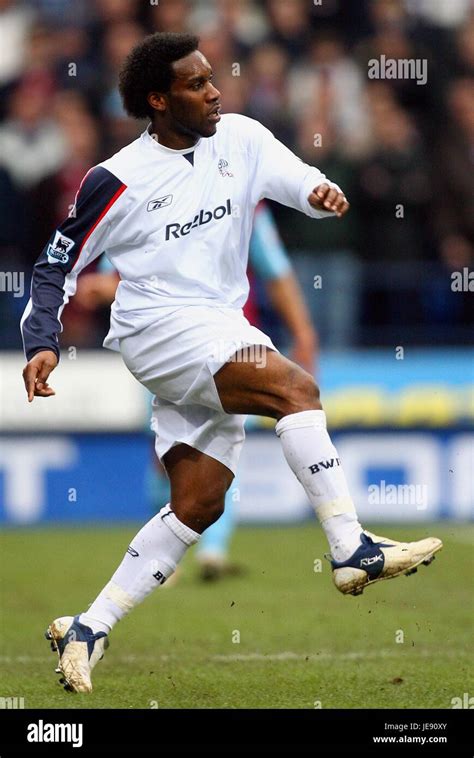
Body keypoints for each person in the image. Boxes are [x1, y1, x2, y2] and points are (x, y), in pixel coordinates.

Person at [20, 33, 442, 694]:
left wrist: (321, 191)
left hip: (215, 325)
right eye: (196, 84)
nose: (215, 90)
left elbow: (296, 180)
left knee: (198, 503)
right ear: (158, 100)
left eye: (213, 78)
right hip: (158, 328)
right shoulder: (118, 178)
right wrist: (42, 337)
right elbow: (56, 263)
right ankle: (349, 545)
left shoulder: (241, 136)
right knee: (296, 390)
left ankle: (88, 627)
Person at [74, 201, 318, 581]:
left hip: (214, 344)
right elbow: (116, 274)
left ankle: (204, 551)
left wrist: (303, 333)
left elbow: (276, 269)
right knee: (182, 450)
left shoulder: (242, 198)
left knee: (206, 446)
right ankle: (186, 552)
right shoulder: (145, 195)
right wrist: (104, 287)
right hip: (178, 342)